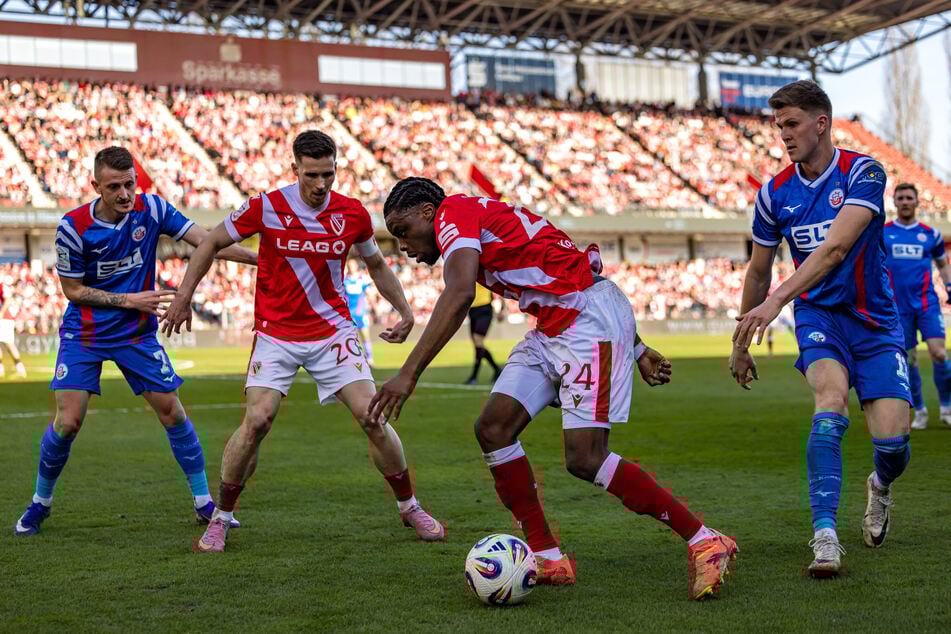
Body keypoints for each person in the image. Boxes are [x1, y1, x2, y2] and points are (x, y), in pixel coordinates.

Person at [368, 177, 738, 601]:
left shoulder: (454, 213)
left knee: (585, 457)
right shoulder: (473, 215)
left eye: (403, 232)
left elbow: (460, 292)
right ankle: (547, 557)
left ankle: (705, 540)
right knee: (493, 429)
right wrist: (636, 346)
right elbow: (561, 261)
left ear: (428, 213)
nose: (404, 247)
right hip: (557, 322)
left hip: (586, 323)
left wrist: (409, 372)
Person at [161, 130, 444, 553]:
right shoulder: (266, 206)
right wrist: (184, 296)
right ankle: (222, 517)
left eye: (327, 174)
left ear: (336, 169)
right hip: (276, 333)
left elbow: (377, 265)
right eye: (311, 175)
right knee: (257, 421)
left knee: (373, 417)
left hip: (332, 332)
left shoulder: (352, 213)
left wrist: (405, 311)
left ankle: (409, 506)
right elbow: (212, 243)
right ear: (295, 168)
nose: (320, 184)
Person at [13, 146, 258, 536]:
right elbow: (73, 290)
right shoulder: (72, 227)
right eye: (115, 187)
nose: (125, 194)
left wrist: (262, 260)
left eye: (130, 184)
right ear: (96, 186)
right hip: (86, 333)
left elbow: (206, 240)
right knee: (68, 422)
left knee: (172, 412)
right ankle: (39, 503)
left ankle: (202, 502)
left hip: (135, 334)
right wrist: (130, 300)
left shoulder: (153, 209)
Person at [730, 80, 911, 577]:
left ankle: (880, 486)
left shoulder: (865, 172)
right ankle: (826, 535)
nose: (783, 135)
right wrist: (741, 342)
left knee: (893, 445)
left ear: (821, 123)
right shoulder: (772, 194)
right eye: (778, 126)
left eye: (791, 124)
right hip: (818, 317)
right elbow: (758, 270)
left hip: (875, 322)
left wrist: (773, 303)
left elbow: (833, 251)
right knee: (829, 402)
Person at [883, 183, 951, 430]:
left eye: (909, 197)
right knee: (909, 360)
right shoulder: (883, 233)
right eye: (900, 197)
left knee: (939, 353)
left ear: (916, 201)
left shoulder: (930, 235)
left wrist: (950, 286)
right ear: (895, 202)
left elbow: (943, 265)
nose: (904, 201)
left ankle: (946, 407)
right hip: (898, 308)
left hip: (926, 303)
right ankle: (920, 410)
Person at [463, 283, 502, 385]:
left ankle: (474, 376)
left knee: (477, 340)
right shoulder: (468, 272)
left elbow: (498, 287)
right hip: (472, 310)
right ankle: (497, 369)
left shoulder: (484, 271)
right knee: (477, 344)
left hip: (484, 308)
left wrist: (501, 309)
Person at [344, 258, 375, 366]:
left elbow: (369, 294)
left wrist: (373, 309)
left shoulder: (362, 279)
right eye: (348, 265)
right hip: (349, 314)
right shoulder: (344, 280)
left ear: (356, 266)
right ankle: (352, 360)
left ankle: (370, 359)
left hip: (361, 313)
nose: (350, 267)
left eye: (352, 265)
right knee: (350, 338)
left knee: (365, 336)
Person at [0, 284, 27, 379]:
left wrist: (1, 312)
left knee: (9, 344)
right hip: (5, 319)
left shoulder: (1, 286)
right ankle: (1, 370)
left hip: (4, 319)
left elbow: (8, 299)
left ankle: (20, 369)